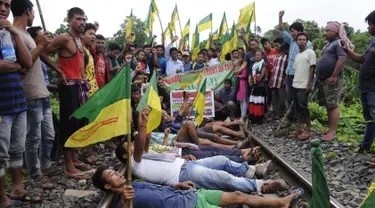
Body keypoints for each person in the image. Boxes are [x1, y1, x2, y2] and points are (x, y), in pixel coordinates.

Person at [122, 108, 288, 194]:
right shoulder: (133, 164)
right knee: (224, 178)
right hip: (182, 175)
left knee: (222, 161)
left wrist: (146, 123)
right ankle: (261, 186)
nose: (132, 146)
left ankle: (252, 170)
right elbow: (140, 144)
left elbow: (147, 140)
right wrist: (141, 125)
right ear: (125, 155)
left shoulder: (142, 156)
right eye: (127, 147)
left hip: (185, 164)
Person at [12, 0, 63, 191]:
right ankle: (35, 174)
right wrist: (40, 46)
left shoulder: (27, 35)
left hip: (43, 93)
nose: (33, 15)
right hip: (31, 93)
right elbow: (24, 65)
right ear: (28, 11)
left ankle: (46, 166)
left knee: (48, 135)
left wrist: (56, 67)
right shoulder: (15, 34)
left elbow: (41, 54)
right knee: (33, 137)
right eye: (32, 11)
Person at [92, 166, 303, 208]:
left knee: (239, 194)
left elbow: (160, 189)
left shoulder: (135, 183)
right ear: (108, 186)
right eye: (112, 174)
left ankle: (281, 203)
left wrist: (177, 184)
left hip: (190, 193)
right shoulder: (123, 202)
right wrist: (125, 202)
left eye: (115, 170)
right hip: (189, 206)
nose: (118, 173)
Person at [43, 7, 91, 179]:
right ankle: (68, 166)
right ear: (69, 21)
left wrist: (85, 80)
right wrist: (59, 71)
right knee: (68, 125)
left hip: (79, 86)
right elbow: (43, 52)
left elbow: (80, 66)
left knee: (78, 123)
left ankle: (75, 158)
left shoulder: (79, 40)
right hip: (68, 86)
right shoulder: (64, 38)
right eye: (78, 19)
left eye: (83, 19)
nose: (82, 22)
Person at [0, 0, 35, 205]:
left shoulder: (8, 33)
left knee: (16, 149)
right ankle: (2, 199)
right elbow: (15, 65)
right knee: (0, 154)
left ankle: (17, 188)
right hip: (2, 106)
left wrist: (14, 32)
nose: (4, 8)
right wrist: (16, 66)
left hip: (18, 102)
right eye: (0, 4)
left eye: (7, 4)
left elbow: (28, 62)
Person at [342, 10, 375, 165]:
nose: (368, 28)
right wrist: (347, 50)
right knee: (369, 118)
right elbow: (362, 59)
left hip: (373, 89)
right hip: (366, 87)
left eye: (370, 25)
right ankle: (365, 145)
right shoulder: (373, 43)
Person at [316, 22, 351, 142]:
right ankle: (329, 128)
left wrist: (334, 75)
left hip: (333, 78)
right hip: (325, 79)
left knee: (333, 105)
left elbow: (342, 59)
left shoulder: (339, 43)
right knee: (328, 104)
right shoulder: (328, 44)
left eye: (327, 30)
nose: (325, 33)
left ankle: (332, 132)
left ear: (335, 32)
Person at [278, 10, 313, 128]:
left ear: (300, 32)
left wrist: (309, 81)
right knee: (291, 98)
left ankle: (304, 124)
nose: (291, 33)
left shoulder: (308, 45)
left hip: (300, 75)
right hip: (290, 74)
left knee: (301, 101)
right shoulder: (292, 41)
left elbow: (311, 65)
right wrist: (280, 17)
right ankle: (293, 121)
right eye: (291, 32)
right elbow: (281, 31)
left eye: (293, 31)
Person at [290, 33, 316, 141]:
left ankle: (308, 129)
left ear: (306, 41)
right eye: (299, 39)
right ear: (297, 42)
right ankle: (300, 127)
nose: (301, 41)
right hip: (295, 84)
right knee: (297, 107)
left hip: (304, 84)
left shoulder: (310, 53)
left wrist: (309, 83)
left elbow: (312, 68)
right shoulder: (297, 55)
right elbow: (296, 70)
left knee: (303, 107)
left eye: (303, 39)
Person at [269, 38, 288, 119]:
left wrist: (285, 79)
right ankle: (275, 114)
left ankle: (282, 114)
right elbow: (273, 69)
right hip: (274, 81)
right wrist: (270, 80)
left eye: (277, 45)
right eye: (275, 46)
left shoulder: (286, 56)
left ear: (282, 45)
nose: (275, 47)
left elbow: (287, 68)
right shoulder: (276, 56)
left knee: (282, 99)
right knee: (274, 99)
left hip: (281, 81)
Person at [248, 50, 267, 124]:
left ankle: (259, 119)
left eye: (259, 55)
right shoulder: (253, 64)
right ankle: (253, 118)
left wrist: (256, 81)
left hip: (260, 86)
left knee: (259, 102)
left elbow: (262, 75)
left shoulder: (263, 63)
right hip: (253, 86)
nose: (257, 56)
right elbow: (250, 74)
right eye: (256, 55)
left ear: (262, 56)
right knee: (253, 101)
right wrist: (250, 81)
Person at [80, 23, 98, 97]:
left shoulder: (89, 52)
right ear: (82, 35)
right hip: (87, 95)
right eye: (90, 34)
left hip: (94, 93)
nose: (93, 37)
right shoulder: (81, 52)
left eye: (94, 35)